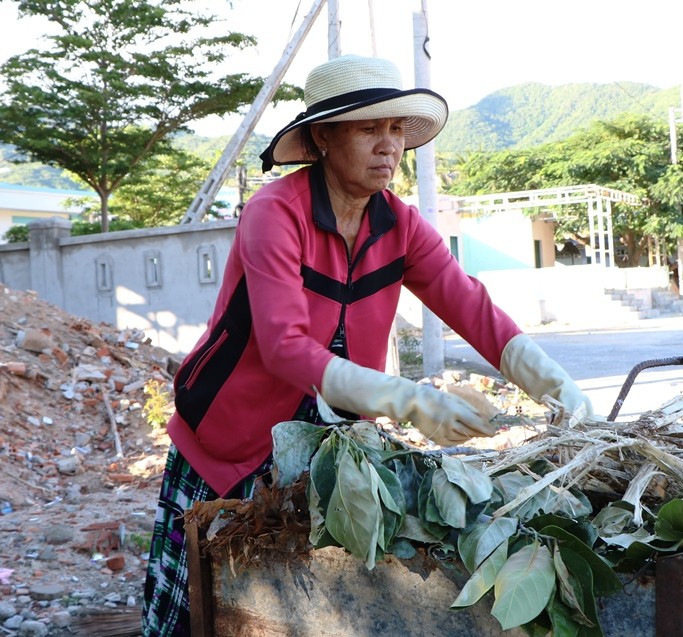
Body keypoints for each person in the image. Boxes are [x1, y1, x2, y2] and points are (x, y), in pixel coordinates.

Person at [140, 54, 592, 636]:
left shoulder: (399, 225)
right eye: (368, 128)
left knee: (305, 607)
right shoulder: (274, 213)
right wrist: (410, 400)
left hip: (326, 450)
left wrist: (562, 391)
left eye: (397, 128)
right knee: (201, 613)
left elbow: (473, 308)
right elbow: (284, 347)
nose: (389, 146)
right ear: (324, 137)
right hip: (230, 445)